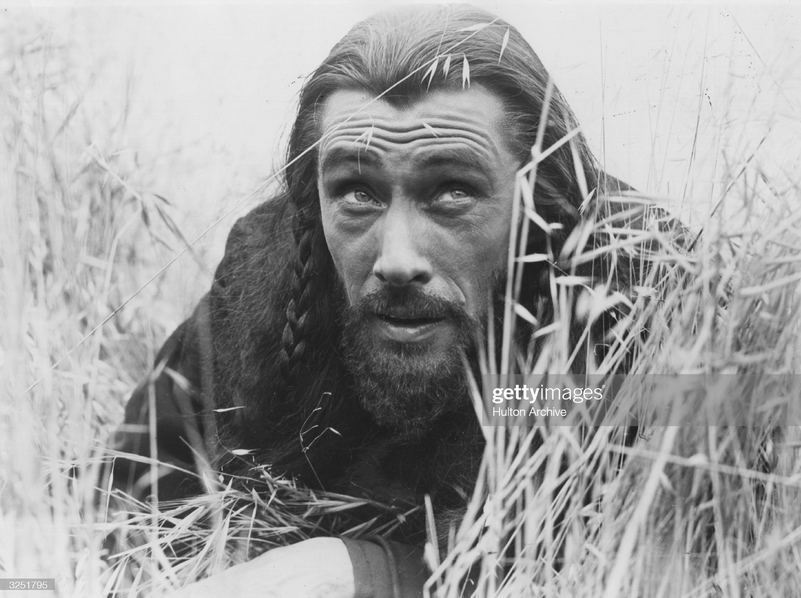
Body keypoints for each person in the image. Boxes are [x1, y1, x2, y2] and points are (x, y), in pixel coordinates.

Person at [108, 5, 644, 597]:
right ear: (313, 200)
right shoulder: (266, 273)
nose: (396, 259)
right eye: (358, 192)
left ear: (538, 202)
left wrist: (371, 574)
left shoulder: (631, 277)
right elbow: (127, 507)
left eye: (453, 191)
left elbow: (674, 516)